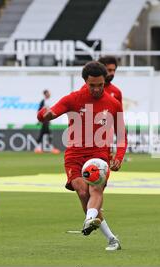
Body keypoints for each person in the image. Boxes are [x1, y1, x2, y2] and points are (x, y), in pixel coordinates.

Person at [37, 61, 127, 250]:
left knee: (95, 190)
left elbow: (122, 135)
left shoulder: (113, 104)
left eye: (100, 85)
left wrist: (119, 155)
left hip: (99, 155)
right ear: (85, 82)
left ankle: (88, 220)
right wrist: (44, 115)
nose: (96, 89)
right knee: (82, 192)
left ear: (105, 82)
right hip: (75, 155)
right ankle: (112, 239)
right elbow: (53, 112)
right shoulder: (74, 98)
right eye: (92, 85)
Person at [34, 89, 60, 154]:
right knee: (48, 134)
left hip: (47, 120)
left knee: (43, 134)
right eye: (48, 93)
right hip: (44, 120)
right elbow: (39, 111)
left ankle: (38, 148)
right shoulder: (43, 102)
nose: (49, 94)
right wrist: (40, 120)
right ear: (45, 94)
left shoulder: (48, 101)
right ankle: (49, 148)